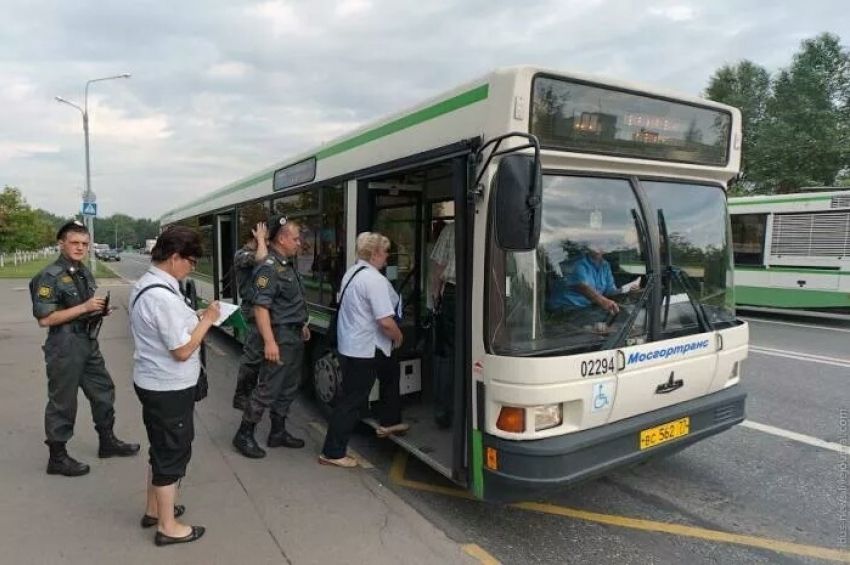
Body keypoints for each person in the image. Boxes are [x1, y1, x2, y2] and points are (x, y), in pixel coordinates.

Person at [129, 225, 220, 546]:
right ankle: (168, 526)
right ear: (175, 256)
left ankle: (154, 509)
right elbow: (182, 351)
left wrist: (192, 316)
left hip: (152, 381)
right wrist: (207, 320)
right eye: (191, 261)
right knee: (172, 453)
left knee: (160, 447)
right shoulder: (161, 296)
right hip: (168, 387)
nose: (192, 267)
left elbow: (168, 329)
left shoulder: (149, 284)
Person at [29, 219, 140, 477]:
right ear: (61, 243)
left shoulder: (83, 272)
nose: (80, 248)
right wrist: (85, 308)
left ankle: (107, 441)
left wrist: (99, 311)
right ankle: (57, 457)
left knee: (103, 391)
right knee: (63, 402)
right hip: (64, 344)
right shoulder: (49, 277)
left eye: (85, 244)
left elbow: (83, 308)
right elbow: (45, 319)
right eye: (75, 243)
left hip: (87, 341)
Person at [319, 232, 407, 468]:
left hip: (355, 346)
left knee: (390, 372)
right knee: (351, 401)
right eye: (386, 251)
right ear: (375, 253)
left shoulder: (353, 272)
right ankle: (332, 452)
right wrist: (398, 338)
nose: (388, 257)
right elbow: (386, 322)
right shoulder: (374, 280)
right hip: (363, 350)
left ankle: (389, 421)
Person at [232, 215, 311, 459]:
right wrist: (269, 341)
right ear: (283, 238)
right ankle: (244, 434)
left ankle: (278, 431)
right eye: (296, 239)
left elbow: (286, 302)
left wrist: (301, 324)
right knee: (267, 388)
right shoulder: (269, 266)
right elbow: (261, 307)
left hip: (293, 334)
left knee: (288, 387)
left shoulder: (285, 264)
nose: (299, 243)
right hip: (279, 336)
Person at [231, 221, 269, 410]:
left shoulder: (261, 251)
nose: (267, 241)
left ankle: (254, 392)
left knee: (262, 355)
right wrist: (261, 239)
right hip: (252, 309)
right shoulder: (242, 255)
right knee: (252, 355)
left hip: (264, 308)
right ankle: (241, 396)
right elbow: (260, 258)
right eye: (263, 237)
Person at [547, 243, 641, 318]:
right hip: (566, 309)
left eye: (601, 243)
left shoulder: (605, 265)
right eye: (594, 244)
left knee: (624, 316)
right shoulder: (578, 262)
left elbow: (609, 292)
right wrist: (604, 302)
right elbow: (583, 287)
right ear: (588, 246)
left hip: (586, 308)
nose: (598, 246)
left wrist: (626, 290)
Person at [428, 220, 455, 429]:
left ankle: (444, 411)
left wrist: (435, 297)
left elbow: (438, 266)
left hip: (454, 295)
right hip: (488, 296)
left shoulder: (451, 229)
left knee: (447, 354)